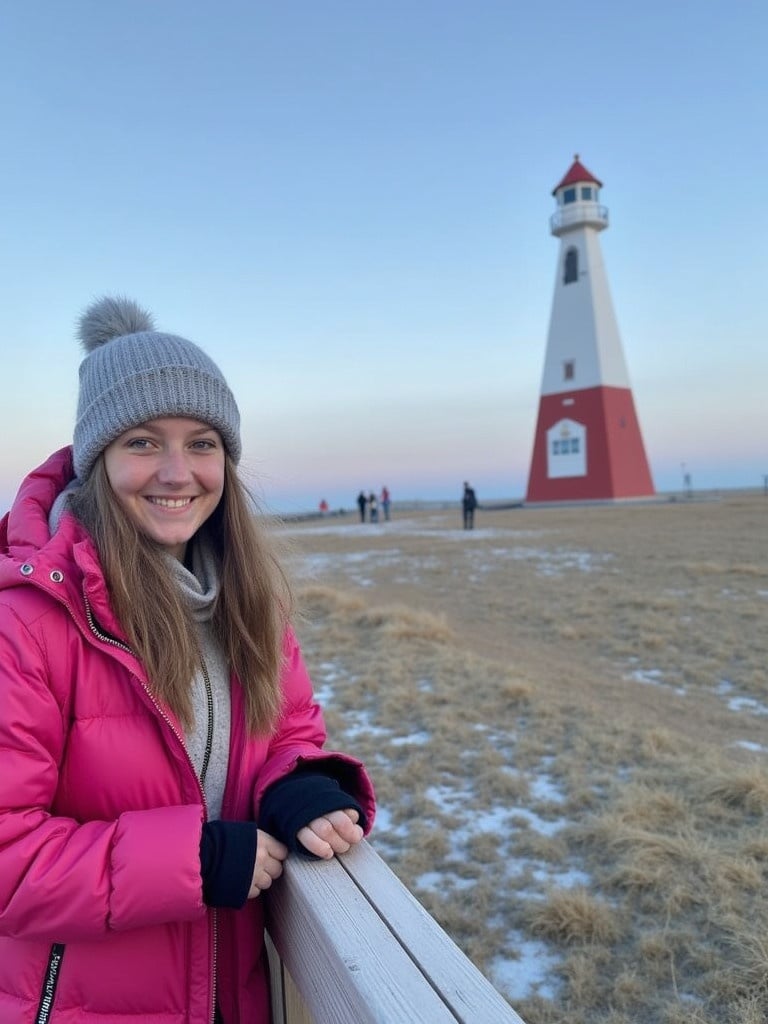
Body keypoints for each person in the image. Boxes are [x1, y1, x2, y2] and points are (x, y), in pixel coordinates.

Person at [0, 297, 375, 1024]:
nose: (178, 472)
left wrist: (297, 785)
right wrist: (191, 862)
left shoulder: (251, 599)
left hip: (232, 994)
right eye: (143, 442)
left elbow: (290, 730)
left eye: (202, 443)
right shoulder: (28, 623)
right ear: (96, 456)